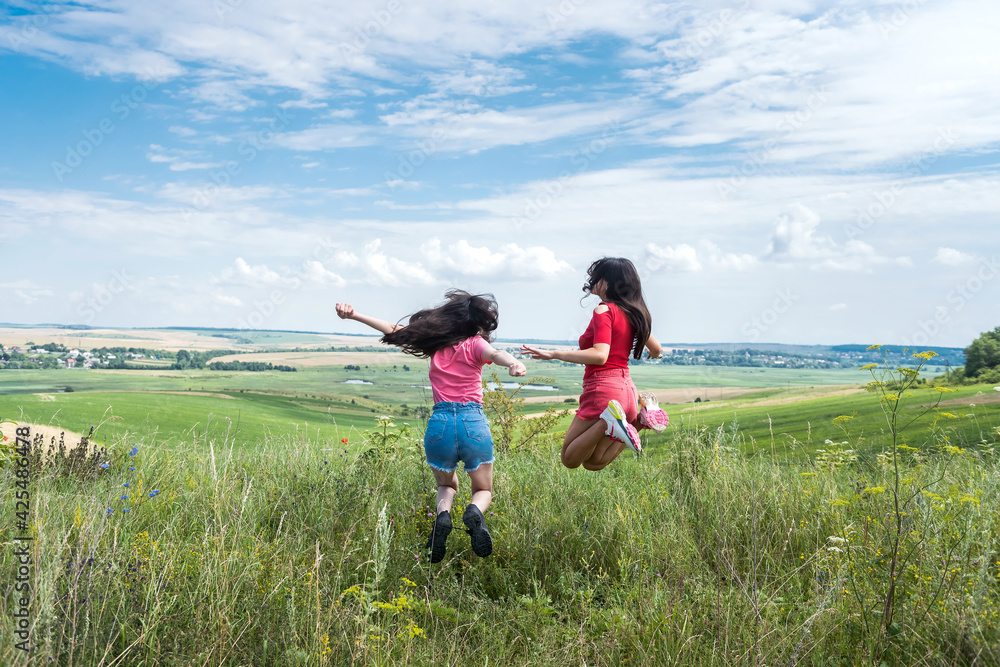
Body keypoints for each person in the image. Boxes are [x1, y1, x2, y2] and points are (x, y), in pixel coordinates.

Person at [336, 290, 526, 563]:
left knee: (446, 484)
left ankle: (443, 517)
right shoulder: (475, 344)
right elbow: (496, 353)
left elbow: (395, 329)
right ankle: (474, 511)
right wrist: (514, 363)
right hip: (473, 422)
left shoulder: (436, 343)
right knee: (482, 489)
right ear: (477, 324)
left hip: (440, 425)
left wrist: (354, 315)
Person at [521, 257, 668, 471]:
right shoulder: (633, 312)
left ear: (608, 282)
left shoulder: (604, 310)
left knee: (569, 458)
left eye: (597, 277)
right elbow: (656, 348)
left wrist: (553, 354)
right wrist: (655, 355)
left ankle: (606, 422)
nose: (592, 282)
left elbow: (600, 355)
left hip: (604, 390)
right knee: (593, 463)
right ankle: (640, 421)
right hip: (627, 393)